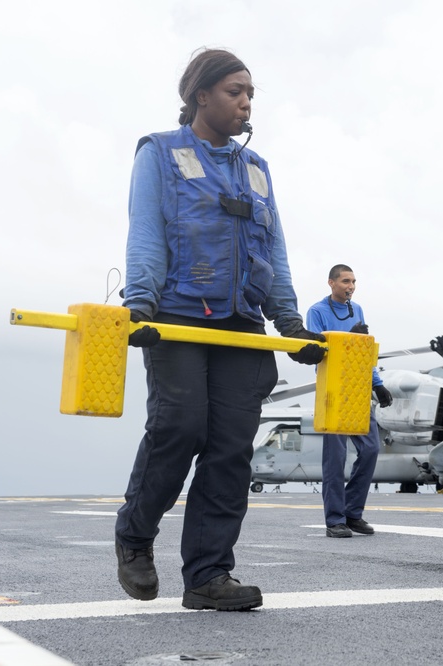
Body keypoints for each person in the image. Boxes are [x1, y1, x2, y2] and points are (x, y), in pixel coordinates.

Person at [115, 47, 325, 612]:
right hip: (178, 316)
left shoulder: (256, 169)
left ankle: (208, 576)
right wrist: (140, 304)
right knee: (179, 429)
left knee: (231, 450)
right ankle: (134, 537)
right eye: (235, 91)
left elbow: (274, 249)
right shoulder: (159, 152)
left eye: (251, 93)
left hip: (242, 323)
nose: (245, 101)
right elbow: (147, 231)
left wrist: (289, 321)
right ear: (200, 95)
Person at [306, 264, 393, 538]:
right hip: (333, 391)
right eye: (345, 281)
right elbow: (317, 353)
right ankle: (335, 520)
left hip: (358, 389)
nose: (351, 286)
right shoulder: (317, 312)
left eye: (354, 281)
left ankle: (353, 513)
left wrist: (378, 386)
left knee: (370, 449)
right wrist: (350, 337)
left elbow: (363, 352)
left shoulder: (359, 311)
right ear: (331, 282)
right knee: (336, 458)